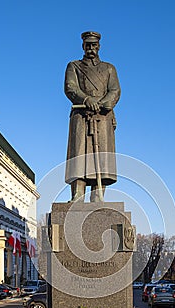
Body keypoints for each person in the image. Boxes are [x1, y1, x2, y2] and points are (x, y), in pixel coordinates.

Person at [64, 31, 121, 202]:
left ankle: (98, 193)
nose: (91, 48)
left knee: (102, 154)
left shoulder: (109, 68)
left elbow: (115, 90)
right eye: (87, 45)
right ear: (83, 46)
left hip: (103, 116)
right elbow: (70, 87)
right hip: (81, 114)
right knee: (80, 153)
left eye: (93, 45)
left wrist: (105, 103)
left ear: (99, 46)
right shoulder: (74, 66)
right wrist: (87, 99)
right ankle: (78, 193)